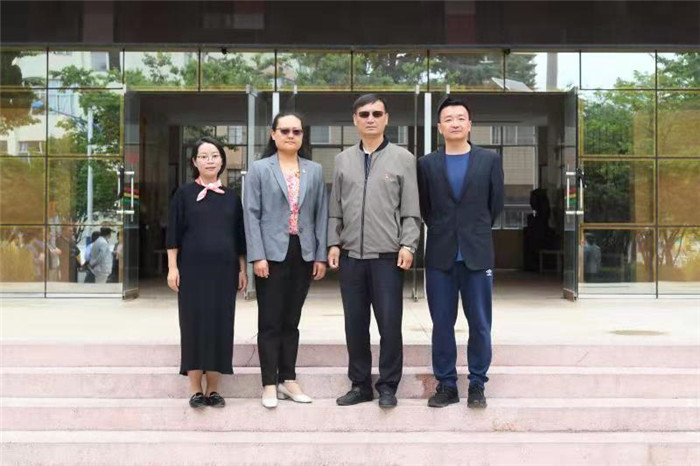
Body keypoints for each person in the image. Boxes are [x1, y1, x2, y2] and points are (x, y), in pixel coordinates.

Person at [328, 94, 420, 409]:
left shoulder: (403, 158)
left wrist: (408, 244)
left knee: (390, 324)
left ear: (386, 118)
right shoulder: (342, 160)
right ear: (355, 119)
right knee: (355, 324)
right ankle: (360, 385)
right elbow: (335, 209)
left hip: (387, 257)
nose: (370, 119)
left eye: (376, 113)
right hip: (351, 256)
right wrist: (333, 243)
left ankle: (388, 386)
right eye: (364, 114)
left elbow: (411, 210)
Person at [417, 97, 504, 409]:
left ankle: (477, 383)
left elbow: (495, 205)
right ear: (439, 127)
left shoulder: (489, 160)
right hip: (440, 256)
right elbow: (426, 208)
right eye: (448, 119)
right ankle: (447, 385)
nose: (455, 123)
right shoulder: (426, 164)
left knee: (479, 323)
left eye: (460, 118)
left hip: (477, 254)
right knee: (442, 324)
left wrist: (471, 231)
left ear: (470, 124)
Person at [244, 112, 328, 409]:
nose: (291, 135)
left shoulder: (314, 170)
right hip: (270, 255)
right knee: (270, 320)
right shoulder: (259, 168)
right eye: (285, 131)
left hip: (303, 252)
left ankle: (288, 379)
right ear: (273, 134)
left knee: (292, 320)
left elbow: (321, 213)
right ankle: (269, 383)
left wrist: (320, 255)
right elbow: (251, 214)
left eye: (296, 131)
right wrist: (257, 255)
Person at [166, 136, 247, 409]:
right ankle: (194, 390)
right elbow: (173, 234)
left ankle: (213, 389)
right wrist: (172, 267)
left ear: (222, 161)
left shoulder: (232, 198)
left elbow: (239, 237)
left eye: (214, 156)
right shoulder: (183, 194)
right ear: (194, 162)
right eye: (203, 156)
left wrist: (242, 269)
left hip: (224, 273)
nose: (209, 161)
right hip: (191, 272)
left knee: (220, 326)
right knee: (193, 325)